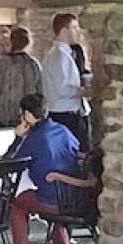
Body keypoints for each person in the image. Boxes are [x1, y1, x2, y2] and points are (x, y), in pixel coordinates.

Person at [5, 94, 79, 244]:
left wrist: (18, 137)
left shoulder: (33, 139)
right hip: (75, 196)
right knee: (50, 197)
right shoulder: (63, 130)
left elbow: (9, 163)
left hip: (51, 201)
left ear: (28, 115)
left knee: (17, 205)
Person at [40, 13, 91, 152]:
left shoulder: (65, 54)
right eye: (75, 28)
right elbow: (62, 89)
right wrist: (84, 91)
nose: (78, 32)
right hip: (64, 115)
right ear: (64, 31)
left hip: (69, 113)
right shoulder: (60, 56)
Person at [0, 26, 42, 127]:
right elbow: (40, 92)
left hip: (4, 117)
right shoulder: (34, 64)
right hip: (27, 118)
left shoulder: (1, 63)